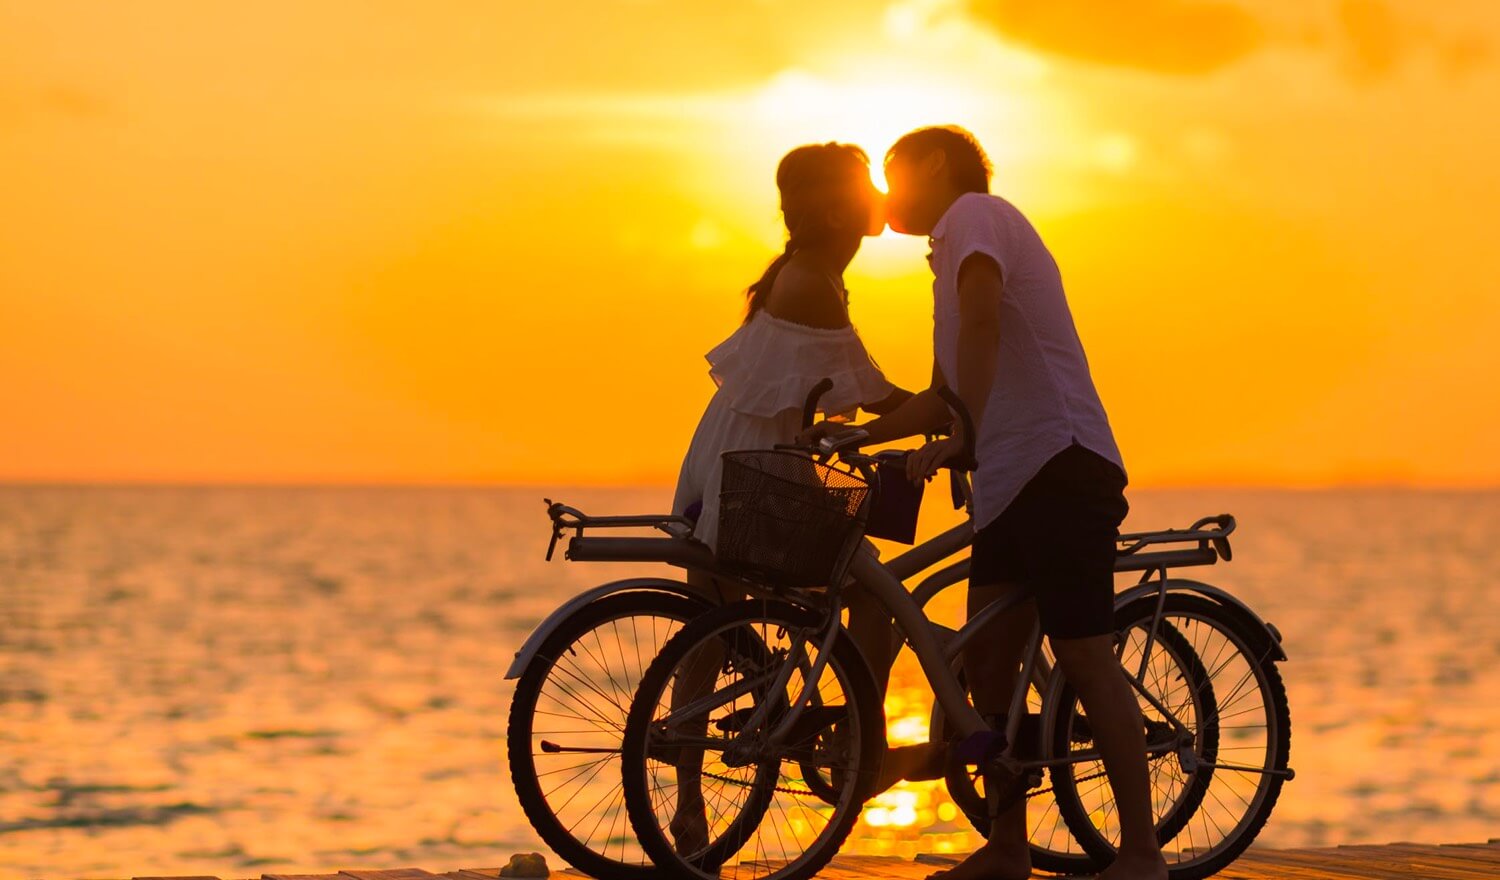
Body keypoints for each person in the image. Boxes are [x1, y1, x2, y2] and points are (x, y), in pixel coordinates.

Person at [803, 125, 1166, 880]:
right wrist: (861, 440)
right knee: (992, 670)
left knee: (1084, 655)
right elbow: (944, 393)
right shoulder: (949, 256)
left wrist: (962, 429)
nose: (885, 194)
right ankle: (1006, 848)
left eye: (894, 173)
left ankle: (1141, 855)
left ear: (935, 165)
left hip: (1061, 463)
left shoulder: (974, 216)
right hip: (1008, 481)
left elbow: (985, 323)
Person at [666, 141, 912, 854]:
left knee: (708, 631)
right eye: (868, 185)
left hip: (732, 466)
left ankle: (688, 809)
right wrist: (960, 412)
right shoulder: (812, 283)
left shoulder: (804, 274)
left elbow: (830, 394)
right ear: (836, 207)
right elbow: (875, 392)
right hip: (761, 479)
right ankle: (858, 744)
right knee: (875, 599)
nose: (879, 196)